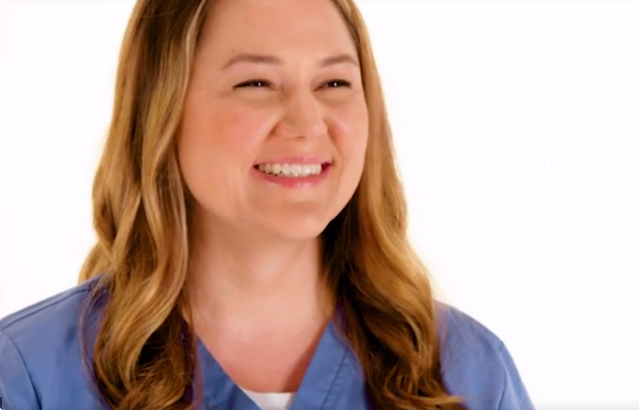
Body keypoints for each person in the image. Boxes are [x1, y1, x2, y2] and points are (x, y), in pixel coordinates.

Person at [0, 0, 534, 409]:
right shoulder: (29, 377)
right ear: (161, 112)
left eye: (334, 82)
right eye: (255, 82)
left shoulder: (465, 372)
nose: (306, 123)